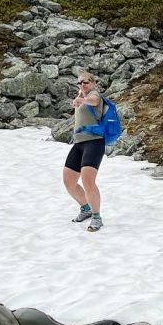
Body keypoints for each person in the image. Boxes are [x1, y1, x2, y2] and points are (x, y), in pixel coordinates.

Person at [62, 70, 106, 232]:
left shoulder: (94, 95)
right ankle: (85, 208)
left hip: (94, 142)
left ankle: (96, 217)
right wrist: (79, 99)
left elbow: (94, 101)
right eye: (79, 82)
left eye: (85, 82)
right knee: (69, 181)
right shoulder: (81, 96)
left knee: (88, 181)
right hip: (79, 143)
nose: (82, 85)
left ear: (93, 83)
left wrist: (83, 99)